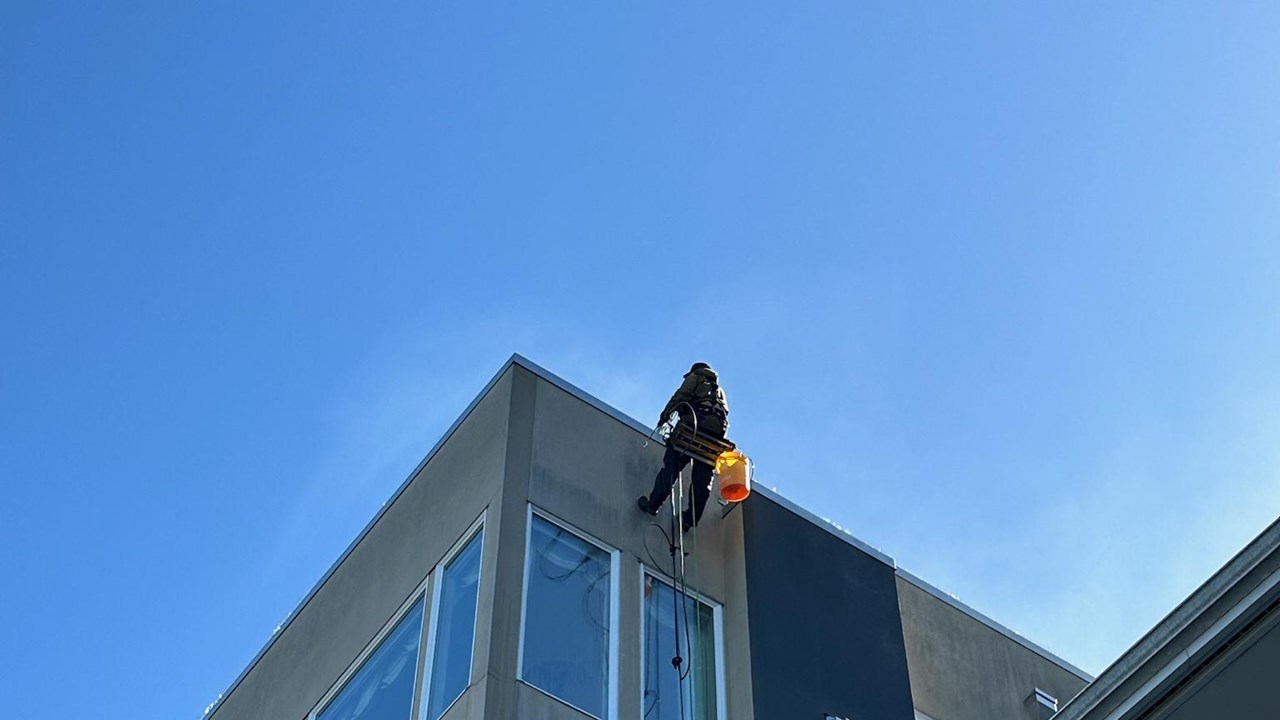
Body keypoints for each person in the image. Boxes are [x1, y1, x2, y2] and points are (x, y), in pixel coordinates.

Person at [637, 362, 729, 530]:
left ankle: (653, 504)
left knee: (671, 466)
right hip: (713, 439)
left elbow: (681, 395)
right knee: (702, 480)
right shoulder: (720, 391)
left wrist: (665, 415)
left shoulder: (696, 377)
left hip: (692, 430)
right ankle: (689, 519)